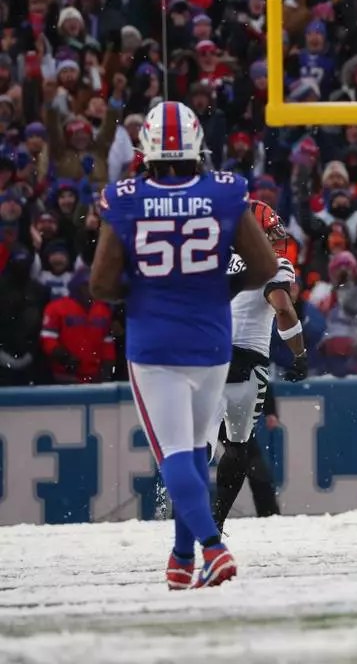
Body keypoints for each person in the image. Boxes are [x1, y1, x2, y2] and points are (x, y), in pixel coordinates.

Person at [89, 101, 277, 589]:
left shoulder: (126, 197)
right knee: (194, 449)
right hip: (212, 337)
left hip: (156, 340)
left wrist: (147, 288)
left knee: (174, 452)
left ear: (147, 149)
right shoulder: (224, 191)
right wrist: (216, 287)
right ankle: (181, 555)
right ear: (197, 147)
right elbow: (263, 267)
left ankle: (213, 548)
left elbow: (101, 283)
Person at [210, 201, 307, 531]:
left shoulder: (214, 258)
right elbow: (283, 308)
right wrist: (300, 354)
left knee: (199, 445)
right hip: (246, 362)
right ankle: (215, 522)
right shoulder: (274, 265)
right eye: (271, 234)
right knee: (238, 448)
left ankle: (185, 513)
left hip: (208, 358)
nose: (277, 241)